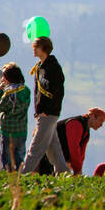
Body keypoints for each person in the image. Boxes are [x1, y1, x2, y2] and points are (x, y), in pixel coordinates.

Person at [21, 36, 71, 175]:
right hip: (43, 113)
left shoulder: (52, 67)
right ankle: (64, 172)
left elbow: (56, 92)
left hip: (48, 113)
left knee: (36, 147)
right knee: (53, 148)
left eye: (35, 47)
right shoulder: (41, 67)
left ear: (43, 48)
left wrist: (46, 110)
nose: (33, 50)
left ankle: (24, 173)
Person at [0, 63, 31, 171]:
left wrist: (0, 90)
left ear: (9, 78)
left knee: (7, 160)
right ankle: (20, 178)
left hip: (8, 131)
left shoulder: (8, 94)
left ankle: (10, 180)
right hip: (22, 130)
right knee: (19, 158)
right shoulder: (26, 90)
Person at [52, 108, 105, 176]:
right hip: (50, 154)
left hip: (59, 158)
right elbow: (74, 149)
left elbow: (81, 155)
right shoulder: (76, 124)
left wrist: (78, 170)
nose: (101, 125)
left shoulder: (86, 132)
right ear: (93, 116)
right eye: (100, 120)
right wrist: (77, 170)